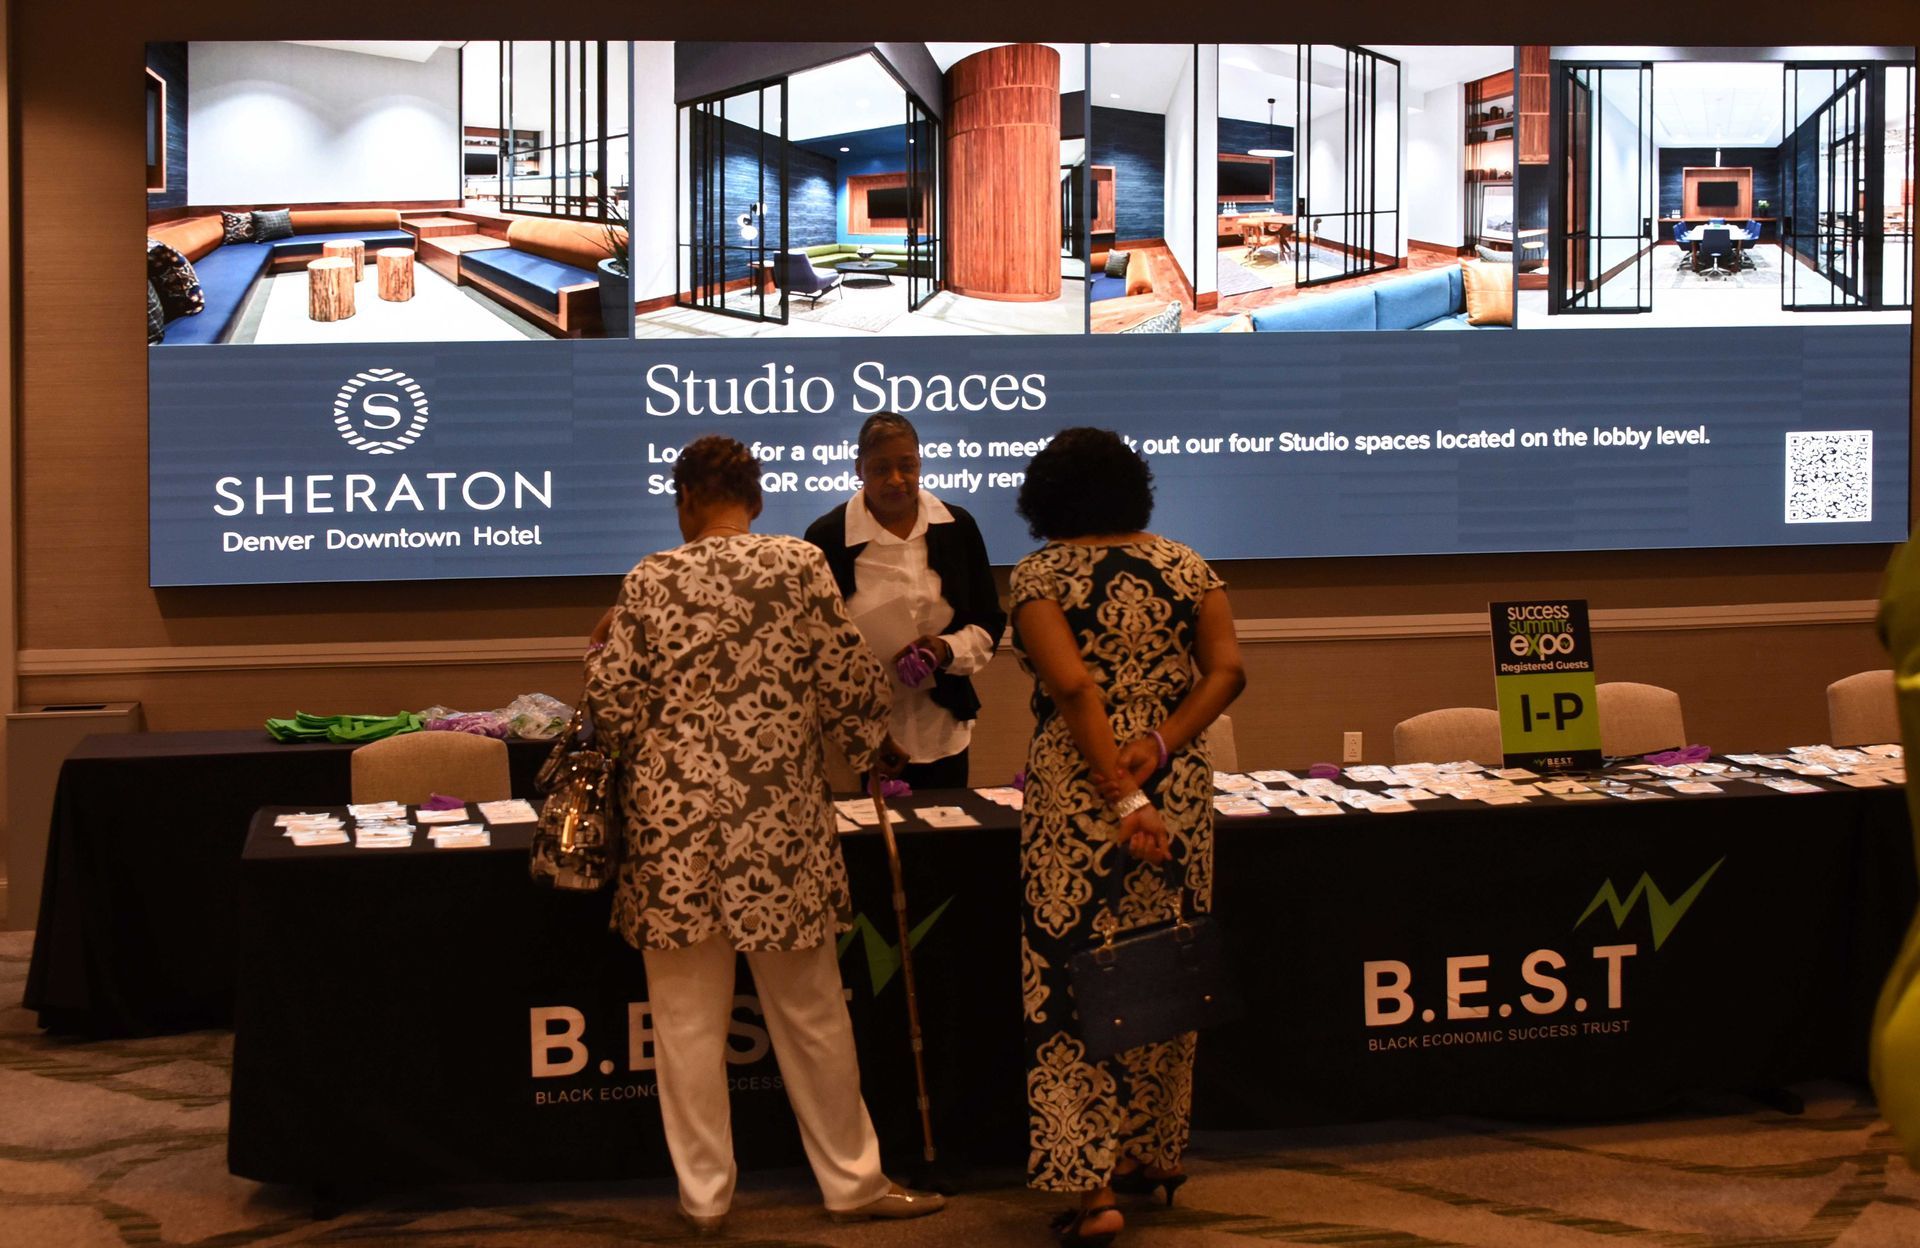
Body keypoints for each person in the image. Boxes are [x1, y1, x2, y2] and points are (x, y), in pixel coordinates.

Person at [584, 435, 946, 1234]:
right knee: (814, 1014)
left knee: (683, 1028)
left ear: (684, 502)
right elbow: (851, 684)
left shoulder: (648, 580)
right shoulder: (799, 567)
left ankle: (705, 1199)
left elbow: (609, 709)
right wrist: (864, 749)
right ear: (753, 500)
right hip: (778, 834)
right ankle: (853, 1183)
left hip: (673, 840)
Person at [1007, 428, 1246, 1247]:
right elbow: (1227, 672)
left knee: (1075, 980)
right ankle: (1157, 1153)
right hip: (1175, 785)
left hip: (1084, 793)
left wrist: (1122, 792)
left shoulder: (1039, 577)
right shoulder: (1189, 566)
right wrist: (1164, 749)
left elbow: (1072, 687)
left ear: (1046, 497)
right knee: (1163, 967)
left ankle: (1094, 1188)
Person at [805, 412, 1006, 790]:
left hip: (942, 728)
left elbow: (989, 622)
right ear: (858, 470)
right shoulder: (826, 537)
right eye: (881, 469)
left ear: (920, 464)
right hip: (863, 736)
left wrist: (944, 649)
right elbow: (816, 642)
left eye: (907, 466)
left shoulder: (957, 527)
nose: (896, 480)